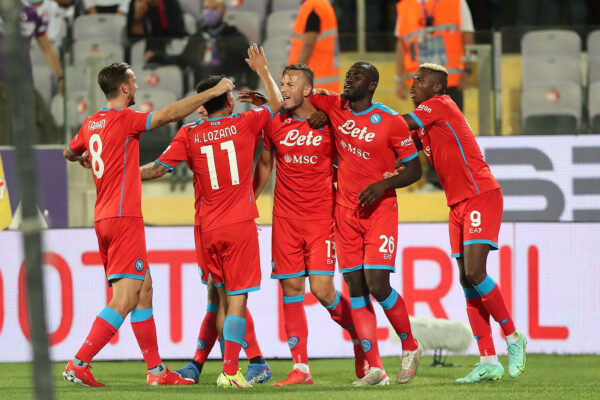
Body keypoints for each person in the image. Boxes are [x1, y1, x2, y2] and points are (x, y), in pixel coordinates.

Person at [62, 61, 234, 386]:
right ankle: (79, 362)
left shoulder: (90, 123)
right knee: (125, 298)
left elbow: (67, 153)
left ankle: (156, 371)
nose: (137, 87)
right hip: (124, 217)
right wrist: (212, 92)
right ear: (124, 87)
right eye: (134, 82)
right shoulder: (125, 119)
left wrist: (85, 159)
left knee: (144, 289)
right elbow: (168, 115)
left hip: (103, 217)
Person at [143, 43, 281, 389]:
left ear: (202, 105)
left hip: (206, 227)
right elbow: (278, 104)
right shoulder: (246, 122)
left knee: (217, 297)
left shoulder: (188, 133)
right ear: (230, 100)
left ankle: (205, 365)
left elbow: (157, 169)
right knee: (236, 299)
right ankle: (232, 371)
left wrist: (120, 172)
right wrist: (263, 71)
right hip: (239, 224)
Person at [393, 63, 527, 383]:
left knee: (475, 272)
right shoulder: (424, 125)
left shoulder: (440, 105)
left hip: (480, 194)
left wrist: (367, 118)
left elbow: (398, 124)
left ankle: (513, 337)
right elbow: (401, 146)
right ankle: (488, 360)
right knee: (467, 281)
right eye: (413, 79)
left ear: (437, 87)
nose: (413, 84)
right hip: (456, 204)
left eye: (420, 81)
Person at [247, 63, 367, 386]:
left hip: (321, 220)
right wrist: (249, 201)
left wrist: (326, 111)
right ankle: (301, 368)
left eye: (291, 84)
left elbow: (353, 108)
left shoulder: (330, 121)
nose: (284, 89)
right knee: (291, 289)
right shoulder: (274, 122)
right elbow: (265, 163)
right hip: (285, 220)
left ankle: (359, 336)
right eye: (283, 83)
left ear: (308, 90)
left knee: (323, 290)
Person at [310, 62, 423, 386]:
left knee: (377, 284)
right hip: (345, 213)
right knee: (356, 288)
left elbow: (414, 169)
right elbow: (300, 97)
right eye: (348, 75)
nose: (349, 80)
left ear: (372, 85)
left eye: (356, 77)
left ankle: (410, 345)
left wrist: (383, 185)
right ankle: (375, 368)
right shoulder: (334, 106)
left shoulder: (391, 121)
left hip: (380, 211)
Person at [146, 0, 258, 90]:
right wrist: (157, 56)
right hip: (202, 94)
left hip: (231, 92)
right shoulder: (197, 39)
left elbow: (252, 66)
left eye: (214, 8)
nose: (210, 12)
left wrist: (248, 86)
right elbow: (181, 60)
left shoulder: (236, 38)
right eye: (206, 8)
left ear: (224, 12)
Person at [0, 1, 64, 145]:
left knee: (45, 129)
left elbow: (47, 49)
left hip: (25, 83)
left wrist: (60, 76)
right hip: (2, 83)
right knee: (4, 137)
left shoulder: (31, 14)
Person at [394, 0, 474, 111]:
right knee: (424, 122)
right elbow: (401, 44)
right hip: (421, 85)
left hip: (450, 82)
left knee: (451, 122)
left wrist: (468, 71)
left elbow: (468, 37)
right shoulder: (405, 6)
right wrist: (399, 78)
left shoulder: (457, 2)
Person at [289, 0, 340, 92]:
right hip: (324, 85)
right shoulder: (323, 5)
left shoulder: (313, 7)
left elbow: (308, 44)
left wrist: (294, 74)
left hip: (314, 86)